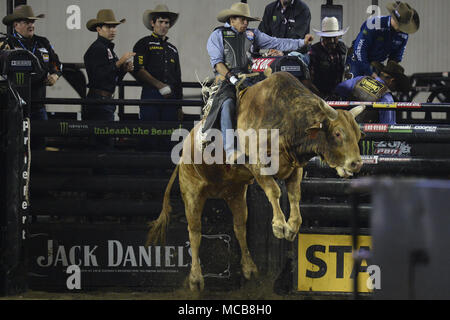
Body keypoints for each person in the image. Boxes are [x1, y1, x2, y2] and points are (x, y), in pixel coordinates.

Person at [205, 2, 313, 163]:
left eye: (247, 20)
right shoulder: (218, 35)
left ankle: (274, 144)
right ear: (232, 19)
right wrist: (232, 78)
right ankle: (229, 150)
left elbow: (277, 42)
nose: (246, 23)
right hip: (227, 79)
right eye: (242, 20)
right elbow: (218, 63)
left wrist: (301, 43)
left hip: (249, 77)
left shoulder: (252, 34)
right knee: (227, 103)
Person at [1, 5, 62, 149]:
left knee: (40, 142)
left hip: (38, 104)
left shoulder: (43, 42)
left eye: (32, 22)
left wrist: (55, 75)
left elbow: (57, 64)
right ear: (16, 25)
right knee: (15, 145)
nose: (31, 25)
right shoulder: (7, 43)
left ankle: (39, 170)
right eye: (26, 22)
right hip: (14, 105)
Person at [83, 9, 134, 149]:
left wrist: (123, 69)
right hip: (99, 102)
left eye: (114, 26)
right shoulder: (97, 49)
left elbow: (112, 78)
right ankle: (101, 170)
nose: (113, 30)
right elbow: (99, 75)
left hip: (103, 101)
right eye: (109, 27)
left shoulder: (106, 49)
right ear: (99, 29)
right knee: (102, 143)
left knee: (103, 141)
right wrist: (120, 63)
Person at [132, 4, 182, 124]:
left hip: (171, 97)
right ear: (152, 23)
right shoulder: (143, 43)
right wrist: (160, 86)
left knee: (168, 135)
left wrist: (180, 106)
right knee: (149, 133)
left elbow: (178, 79)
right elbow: (139, 70)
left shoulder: (172, 49)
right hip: (151, 94)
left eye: (166, 23)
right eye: (160, 22)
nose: (164, 26)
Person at [348, 1, 419, 78]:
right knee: (354, 85)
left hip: (376, 64)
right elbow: (359, 50)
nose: (403, 29)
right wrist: (370, 72)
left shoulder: (403, 35)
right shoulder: (374, 24)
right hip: (357, 61)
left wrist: (389, 73)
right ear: (394, 19)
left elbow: (396, 57)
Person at [334, 60, 411, 124]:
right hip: (367, 136)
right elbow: (388, 127)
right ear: (392, 81)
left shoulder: (360, 79)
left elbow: (339, 89)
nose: (395, 88)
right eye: (396, 85)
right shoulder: (386, 97)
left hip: (346, 130)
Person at [309, 17, 349, 99]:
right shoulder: (314, 51)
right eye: (328, 38)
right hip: (319, 94)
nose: (332, 41)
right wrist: (322, 97)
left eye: (335, 37)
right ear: (322, 37)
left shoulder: (343, 49)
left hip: (339, 93)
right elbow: (309, 80)